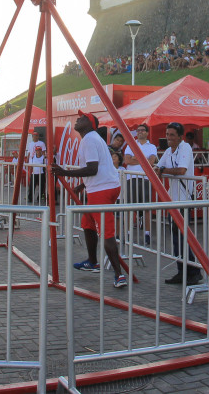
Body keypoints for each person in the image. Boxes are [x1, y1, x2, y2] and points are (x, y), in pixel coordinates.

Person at [52, 112, 126, 287]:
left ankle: (119, 275)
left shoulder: (89, 140)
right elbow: (100, 166)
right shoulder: (93, 139)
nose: (78, 119)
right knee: (87, 223)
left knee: (107, 233)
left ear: (90, 124)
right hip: (102, 187)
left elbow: (92, 168)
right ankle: (92, 261)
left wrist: (65, 172)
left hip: (103, 190)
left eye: (82, 118)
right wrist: (83, 185)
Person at [154, 122, 200, 285]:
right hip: (173, 199)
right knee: (176, 237)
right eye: (167, 134)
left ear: (180, 137)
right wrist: (159, 169)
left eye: (172, 135)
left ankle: (193, 271)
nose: (168, 138)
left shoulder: (185, 148)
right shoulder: (168, 151)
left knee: (183, 237)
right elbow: (157, 167)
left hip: (184, 199)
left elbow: (181, 171)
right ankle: (183, 271)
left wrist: (162, 170)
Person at [122, 124, 158, 245]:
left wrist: (135, 158)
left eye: (142, 130)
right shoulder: (130, 145)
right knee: (129, 207)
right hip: (131, 178)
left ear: (147, 132)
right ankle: (127, 232)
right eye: (138, 130)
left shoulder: (152, 146)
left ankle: (147, 233)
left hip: (145, 179)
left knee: (146, 207)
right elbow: (127, 160)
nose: (140, 132)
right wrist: (144, 159)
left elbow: (152, 161)